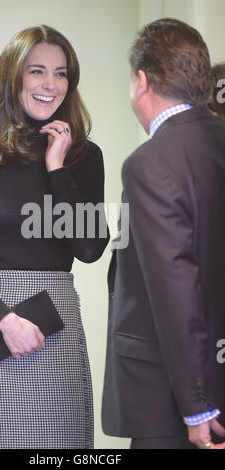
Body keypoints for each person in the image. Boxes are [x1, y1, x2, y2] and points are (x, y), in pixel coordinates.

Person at [0, 25, 109, 449]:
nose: (51, 85)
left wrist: (57, 168)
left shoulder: (84, 156)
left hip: (56, 332)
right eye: (37, 72)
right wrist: (6, 320)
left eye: (61, 73)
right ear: (14, 77)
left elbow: (89, 249)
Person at [101, 18, 225, 449]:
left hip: (174, 404)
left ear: (141, 81)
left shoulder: (149, 163)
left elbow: (176, 288)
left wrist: (198, 407)